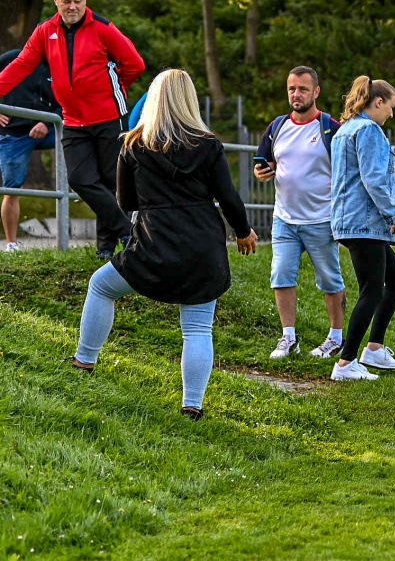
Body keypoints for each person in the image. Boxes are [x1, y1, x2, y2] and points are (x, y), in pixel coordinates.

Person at [70, 69, 257, 419]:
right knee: (198, 327)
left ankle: (84, 360)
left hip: (154, 244)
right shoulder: (209, 145)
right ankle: (193, 405)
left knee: (101, 286)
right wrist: (243, 231)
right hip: (204, 246)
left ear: (153, 99)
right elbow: (228, 197)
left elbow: (125, 203)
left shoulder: (133, 144)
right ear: (189, 100)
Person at [0, 0, 146, 259]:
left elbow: (134, 64)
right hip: (74, 120)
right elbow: (22, 64)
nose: (73, 7)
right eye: (66, 1)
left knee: (110, 182)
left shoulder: (103, 28)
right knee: (80, 179)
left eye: (78, 1)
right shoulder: (45, 31)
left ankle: (105, 247)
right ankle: (128, 231)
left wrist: (115, 88)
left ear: (85, 0)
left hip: (109, 115)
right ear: (56, 1)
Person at [253, 66, 346, 360]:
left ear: (316, 92)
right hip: (284, 219)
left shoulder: (331, 128)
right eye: (292, 88)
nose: (297, 94)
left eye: (303, 89)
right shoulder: (277, 126)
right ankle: (288, 338)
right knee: (281, 275)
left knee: (330, 280)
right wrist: (261, 172)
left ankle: (336, 337)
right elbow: (262, 162)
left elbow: (348, 172)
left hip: (322, 219)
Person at [329, 75, 395, 382]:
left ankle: (374, 348)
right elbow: (373, 179)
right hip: (365, 222)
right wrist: (394, 217)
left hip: (350, 221)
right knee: (372, 290)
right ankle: (346, 362)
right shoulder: (368, 130)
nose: (391, 113)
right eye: (390, 107)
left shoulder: (345, 130)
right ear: (378, 102)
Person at [0, 47, 58, 252]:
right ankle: (11, 243)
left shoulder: (61, 64)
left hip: (49, 128)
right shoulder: (11, 58)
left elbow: (71, 100)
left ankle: (82, 184)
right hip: (13, 133)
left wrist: (47, 123)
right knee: (11, 188)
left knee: (80, 131)